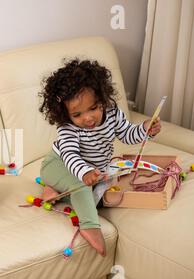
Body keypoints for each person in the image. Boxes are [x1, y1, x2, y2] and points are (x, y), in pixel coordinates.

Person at [38, 59, 161, 256]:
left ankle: (55, 190)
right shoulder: (68, 128)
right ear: (65, 114)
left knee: (97, 190)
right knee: (82, 186)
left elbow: (128, 134)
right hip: (57, 164)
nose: (88, 118)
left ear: (102, 100)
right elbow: (70, 155)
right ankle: (89, 225)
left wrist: (145, 129)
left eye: (93, 108)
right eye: (77, 114)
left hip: (92, 171)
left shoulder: (113, 114)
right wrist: (85, 171)